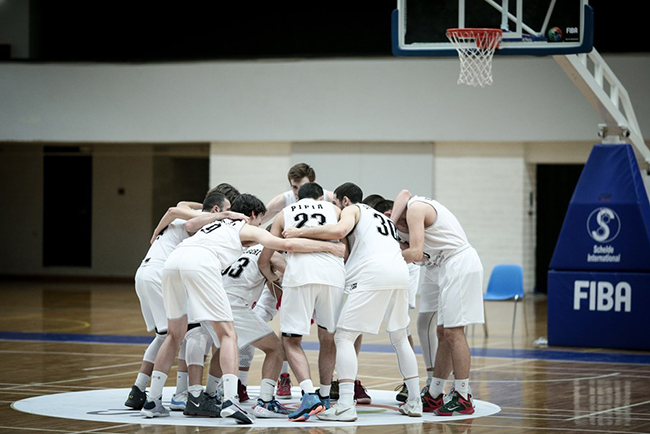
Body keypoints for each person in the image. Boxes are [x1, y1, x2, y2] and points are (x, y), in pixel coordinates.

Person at [140, 193, 345, 424]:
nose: (261, 225)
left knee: (175, 336)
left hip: (173, 263)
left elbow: (184, 219)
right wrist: (330, 249)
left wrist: (159, 231)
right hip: (205, 271)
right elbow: (285, 244)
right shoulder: (248, 230)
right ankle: (233, 401)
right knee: (246, 340)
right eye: (260, 219)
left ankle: (154, 399)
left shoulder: (214, 220)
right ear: (254, 215)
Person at [284, 182, 422, 421]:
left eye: (337, 204)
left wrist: (299, 231)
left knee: (343, 336)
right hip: (400, 271)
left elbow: (339, 231)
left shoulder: (354, 209)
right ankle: (414, 401)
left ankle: (346, 404)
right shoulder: (383, 218)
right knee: (400, 336)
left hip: (373, 273)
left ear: (345, 200)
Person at [124, 191, 237, 410]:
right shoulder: (198, 221)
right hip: (160, 274)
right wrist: (218, 215)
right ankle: (191, 395)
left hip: (145, 273)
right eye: (226, 210)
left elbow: (179, 205)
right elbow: (177, 211)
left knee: (165, 335)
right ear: (216, 209)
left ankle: (138, 390)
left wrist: (203, 205)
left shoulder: (189, 213)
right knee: (193, 331)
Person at [258, 182, 346, 422]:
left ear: (298, 199)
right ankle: (326, 397)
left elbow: (265, 257)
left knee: (291, 341)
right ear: (320, 198)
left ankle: (308, 395)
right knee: (328, 337)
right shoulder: (335, 211)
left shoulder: (286, 213)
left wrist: (272, 277)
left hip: (300, 275)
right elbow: (346, 245)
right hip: (334, 276)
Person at [391, 190, 484, 416]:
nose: (403, 236)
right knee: (442, 332)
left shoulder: (414, 209)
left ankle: (463, 395)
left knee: (454, 332)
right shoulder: (408, 210)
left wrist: (386, 251)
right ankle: (435, 394)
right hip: (446, 266)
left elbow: (415, 253)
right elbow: (419, 255)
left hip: (459, 263)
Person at [261, 163, 333, 224]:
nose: (299, 192)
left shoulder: (330, 198)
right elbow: (256, 222)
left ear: (313, 183)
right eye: (295, 187)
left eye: (303, 187)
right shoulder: (282, 201)